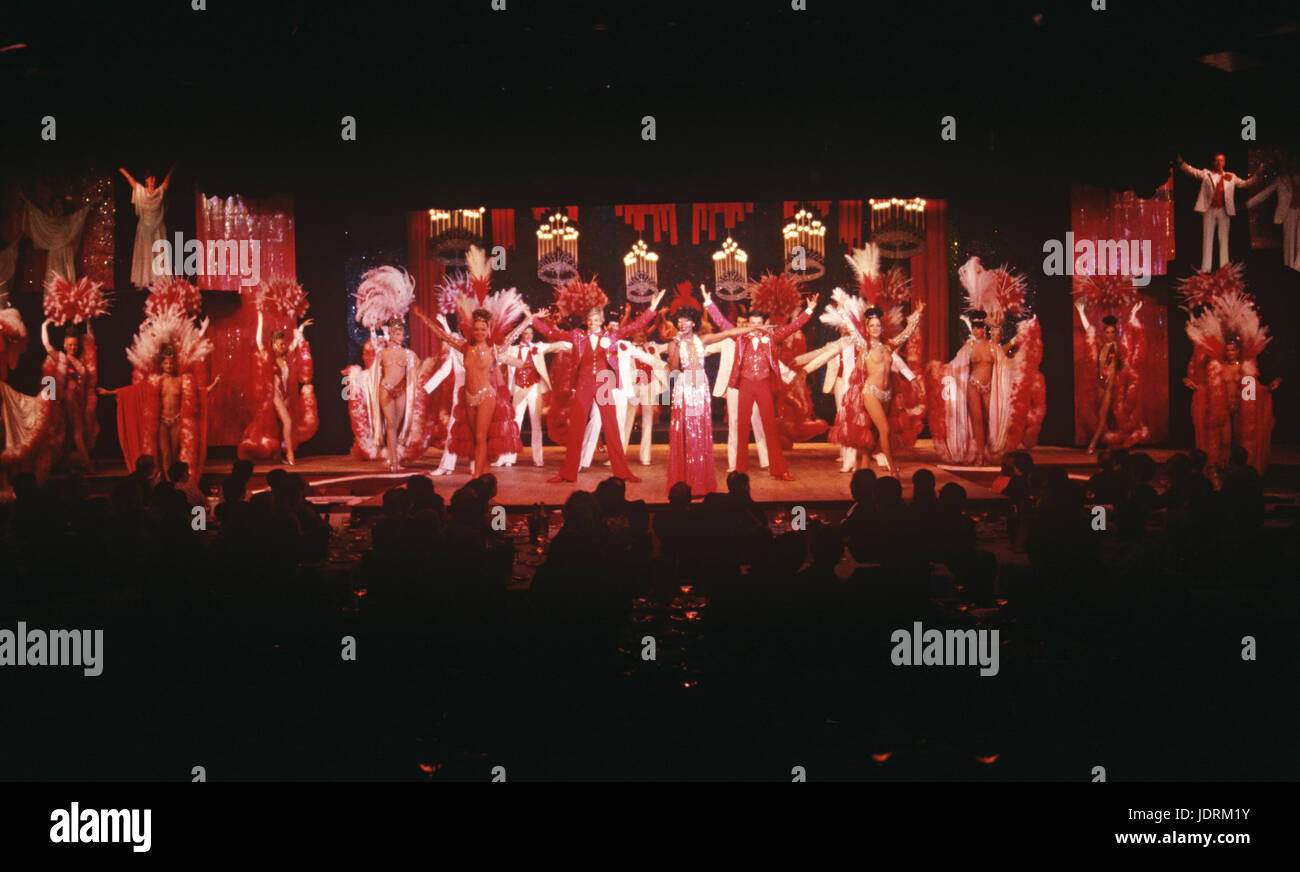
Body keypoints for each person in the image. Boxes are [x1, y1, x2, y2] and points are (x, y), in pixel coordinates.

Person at [530, 282, 665, 484]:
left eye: (596, 319)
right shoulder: (577, 335)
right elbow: (553, 334)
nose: (592, 322)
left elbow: (633, 327)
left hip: (603, 382)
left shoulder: (610, 335)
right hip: (584, 382)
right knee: (577, 427)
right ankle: (568, 473)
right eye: (589, 319)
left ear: (601, 320)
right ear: (586, 320)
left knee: (611, 426)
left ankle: (622, 472)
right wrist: (533, 320)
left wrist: (652, 309)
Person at [703, 287, 816, 481]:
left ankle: (780, 469)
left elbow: (792, 328)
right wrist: (708, 302)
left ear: (765, 323)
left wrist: (809, 310)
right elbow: (722, 323)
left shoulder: (771, 337)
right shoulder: (740, 337)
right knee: (741, 427)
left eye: (758, 323)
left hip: (763, 384)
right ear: (748, 323)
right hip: (745, 385)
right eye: (752, 323)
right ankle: (739, 469)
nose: (755, 327)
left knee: (769, 427)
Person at [414, 304, 529, 476]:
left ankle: (476, 477)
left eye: (483, 329)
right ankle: (483, 471)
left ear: (488, 330)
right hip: (468, 397)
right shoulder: (465, 347)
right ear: (472, 330)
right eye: (476, 329)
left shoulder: (493, 349)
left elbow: (512, 336)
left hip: (486, 396)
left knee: (481, 437)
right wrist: (424, 319)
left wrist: (528, 319)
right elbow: (443, 336)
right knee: (475, 438)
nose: (480, 332)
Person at [664, 299, 744, 497]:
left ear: (694, 322)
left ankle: (699, 480)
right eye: (680, 321)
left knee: (698, 432)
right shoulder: (673, 343)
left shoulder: (703, 340)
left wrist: (755, 329)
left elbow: (728, 333)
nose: (683, 323)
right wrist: (675, 346)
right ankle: (683, 480)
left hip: (700, 387)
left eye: (687, 320)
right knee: (684, 431)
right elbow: (674, 369)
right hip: (684, 386)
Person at [1076, 295, 1147, 454]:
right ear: (1104, 332)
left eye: (1112, 332)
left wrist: (1133, 315)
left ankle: (1093, 445)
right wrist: (1081, 312)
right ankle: (1112, 445)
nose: (1109, 334)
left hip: (1112, 386)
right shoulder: (1101, 344)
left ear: (1115, 332)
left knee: (1105, 418)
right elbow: (1089, 331)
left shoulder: (1119, 347)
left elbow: (1130, 336)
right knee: (1104, 418)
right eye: (1107, 332)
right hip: (1100, 384)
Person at [242, 308, 315, 465]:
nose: (283, 346)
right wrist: (260, 317)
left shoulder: (285, 356)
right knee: (287, 422)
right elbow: (259, 341)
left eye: (284, 343)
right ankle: (290, 455)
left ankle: (277, 456)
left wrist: (301, 329)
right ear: (274, 345)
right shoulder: (270, 358)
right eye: (280, 344)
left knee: (281, 424)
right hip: (274, 394)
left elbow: (294, 344)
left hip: (285, 394)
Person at [1176, 153, 1257, 271]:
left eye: (1221, 160)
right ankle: (1205, 269)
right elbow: (1192, 171)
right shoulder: (1206, 174)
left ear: (1224, 163)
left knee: (1223, 239)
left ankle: (1224, 268)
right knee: (1207, 239)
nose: (1219, 163)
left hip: (1224, 211)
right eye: (1216, 160)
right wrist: (1181, 163)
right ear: (1213, 162)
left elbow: (1245, 184)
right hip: (1209, 210)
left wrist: (1258, 175)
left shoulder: (1231, 176)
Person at [502, 324, 569, 467]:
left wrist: (577, 344)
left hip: (534, 389)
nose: (528, 336)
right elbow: (499, 349)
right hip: (518, 387)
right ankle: (509, 457)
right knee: (515, 423)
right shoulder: (512, 349)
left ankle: (538, 459)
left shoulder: (537, 348)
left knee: (536, 424)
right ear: (521, 334)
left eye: (530, 333)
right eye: (525, 333)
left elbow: (557, 346)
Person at [40, 319, 94, 470]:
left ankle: (70, 461)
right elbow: (46, 345)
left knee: (73, 432)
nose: (73, 347)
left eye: (75, 345)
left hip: (75, 399)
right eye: (70, 345)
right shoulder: (60, 358)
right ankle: (86, 462)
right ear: (64, 344)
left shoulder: (78, 362)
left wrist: (77, 381)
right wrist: (44, 325)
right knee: (74, 431)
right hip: (66, 399)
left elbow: (79, 378)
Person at [119, 164, 176, 289]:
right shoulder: (141, 192)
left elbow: (166, 182)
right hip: (145, 227)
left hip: (157, 227)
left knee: (158, 252)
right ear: (146, 180)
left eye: (154, 178)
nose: (152, 180)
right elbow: (131, 180)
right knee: (145, 252)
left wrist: (172, 168)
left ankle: (160, 281)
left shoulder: (159, 192)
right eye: (150, 178)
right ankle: (143, 280)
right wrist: (122, 169)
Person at [1245, 155, 1300, 272]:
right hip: (1288, 213)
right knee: (1289, 242)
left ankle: (1297, 267)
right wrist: (1246, 205)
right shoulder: (1281, 180)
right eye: (1293, 163)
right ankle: (1289, 268)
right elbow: (1265, 194)